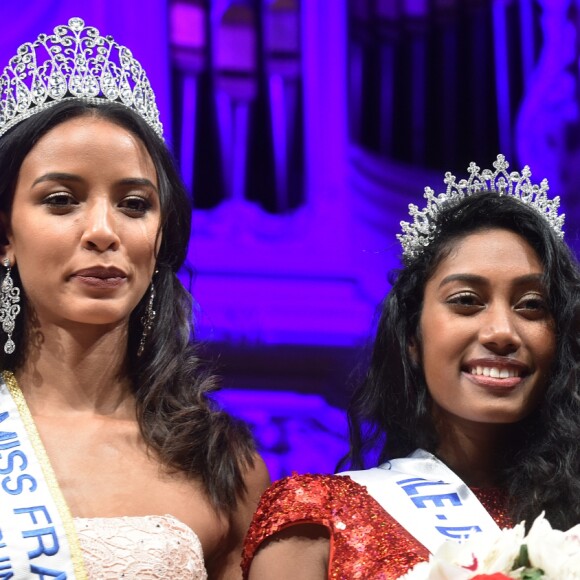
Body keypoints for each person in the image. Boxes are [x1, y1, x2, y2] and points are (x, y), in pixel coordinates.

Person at [0, 17, 269, 579]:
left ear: (162, 234)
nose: (103, 230)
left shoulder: (221, 464)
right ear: (6, 236)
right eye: (61, 199)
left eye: (133, 204)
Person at [241, 155, 580, 579]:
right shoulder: (317, 518)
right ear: (413, 338)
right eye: (466, 301)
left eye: (532, 306)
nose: (501, 332)